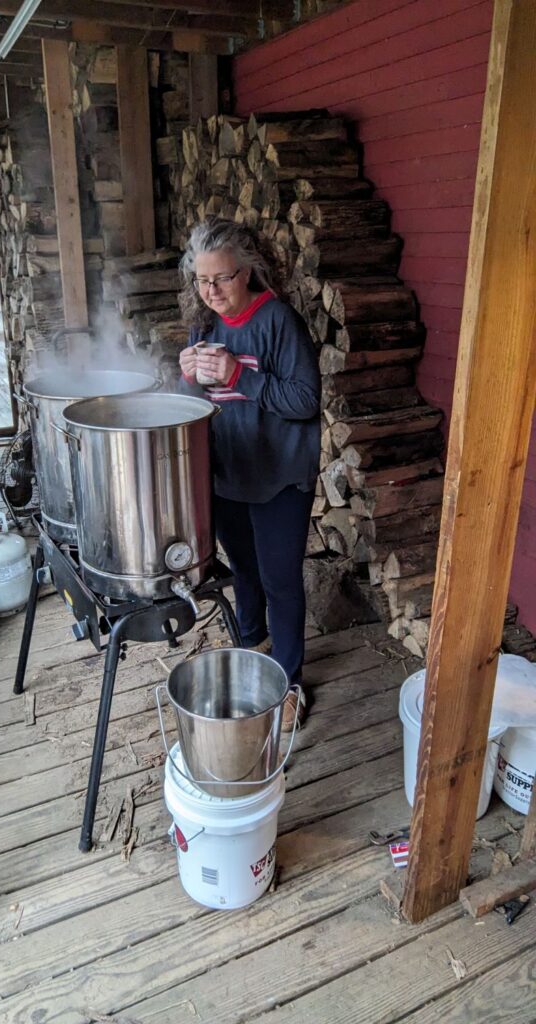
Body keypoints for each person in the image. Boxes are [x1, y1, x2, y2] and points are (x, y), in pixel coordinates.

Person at [179, 220, 321, 729]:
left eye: (222, 278)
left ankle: (288, 682)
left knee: (280, 579)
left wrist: (239, 374)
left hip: (280, 475)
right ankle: (251, 648)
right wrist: (188, 378)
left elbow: (305, 402)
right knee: (243, 571)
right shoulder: (203, 324)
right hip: (227, 473)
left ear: (248, 272)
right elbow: (196, 406)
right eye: (201, 280)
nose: (211, 291)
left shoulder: (278, 321)